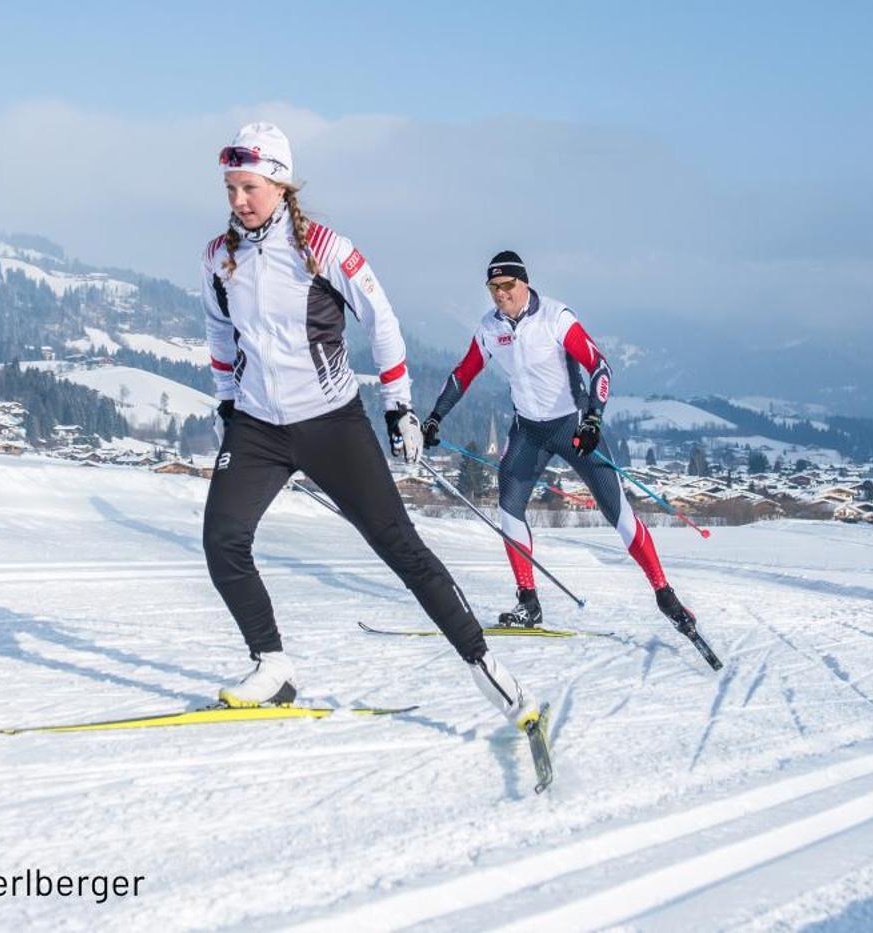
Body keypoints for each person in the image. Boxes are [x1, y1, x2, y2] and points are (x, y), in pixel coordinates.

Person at [200, 123, 539, 734]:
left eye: (248, 187)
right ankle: (271, 666)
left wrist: (398, 405)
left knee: (399, 546)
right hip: (257, 426)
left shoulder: (324, 248)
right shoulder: (219, 255)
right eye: (230, 188)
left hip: (330, 423)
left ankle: (486, 664)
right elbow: (219, 332)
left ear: (279, 184)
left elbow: (381, 322)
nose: (238, 201)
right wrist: (228, 399)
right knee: (223, 539)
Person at [423, 250, 705, 639]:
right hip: (528, 432)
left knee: (618, 514)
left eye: (507, 285)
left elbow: (599, 367)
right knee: (508, 507)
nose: (500, 294)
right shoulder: (490, 328)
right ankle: (528, 602)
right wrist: (436, 416)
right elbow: (462, 373)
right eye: (493, 288)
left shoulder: (556, 318)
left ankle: (666, 595)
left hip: (573, 428)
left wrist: (593, 419)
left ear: (524, 282)